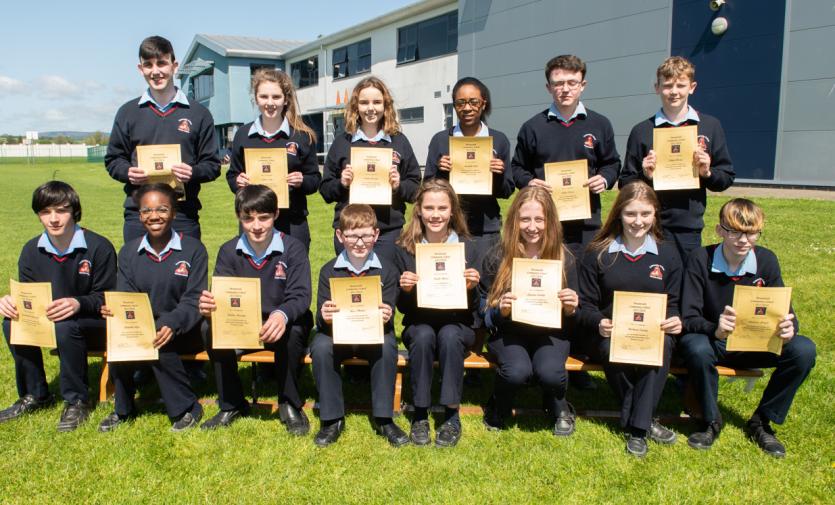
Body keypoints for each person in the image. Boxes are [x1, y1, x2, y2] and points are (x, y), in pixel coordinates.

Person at [678, 198, 816, 457]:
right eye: (734, 232)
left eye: (751, 233)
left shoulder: (766, 260)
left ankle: (762, 421)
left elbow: (786, 312)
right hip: (716, 342)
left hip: (757, 344)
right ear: (719, 230)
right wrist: (715, 328)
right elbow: (688, 317)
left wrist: (789, 329)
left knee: (804, 349)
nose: (743, 240)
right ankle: (710, 421)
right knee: (695, 346)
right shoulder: (700, 258)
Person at [0, 181, 116, 431]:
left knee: (66, 325)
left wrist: (77, 303)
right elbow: (29, 297)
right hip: (49, 321)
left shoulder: (99, 247)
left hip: (95, 322)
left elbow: (108, 297)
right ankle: (35, 395)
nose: (53, 219)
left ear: (74, 210)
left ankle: (77, 400)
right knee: (11, 323)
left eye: (61, 210)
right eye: (45, 212)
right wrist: (12, 302)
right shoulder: (31, 250)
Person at [577, 181, 682, 457]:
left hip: (652, 333)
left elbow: (674, 304)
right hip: (606, 334)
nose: (638, 221)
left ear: (655, 214)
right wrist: (598, 322)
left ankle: (636, 427)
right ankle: (645, 421)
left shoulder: (668, 254)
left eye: (645, 214)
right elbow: (584, 305)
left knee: (662, 345)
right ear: (618, 214)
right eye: (630, 214)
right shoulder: (597, 252)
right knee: (611, 348)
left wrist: (674, 319)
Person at [198, 185, 313, 434]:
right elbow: (223, 295)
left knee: (294, 329)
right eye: (248, 218)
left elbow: (301, 295)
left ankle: (289, 403)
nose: (257, 226)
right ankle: (232, 403)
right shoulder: (228, 250)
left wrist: (281, 314)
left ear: (276, 214)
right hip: (244, 325)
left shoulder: (293, 248)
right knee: (209, 327)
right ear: (238, 217)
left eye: (264, 217)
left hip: (282, 322)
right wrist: (210, 307)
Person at [99, 183, 207, 432]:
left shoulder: (194, 249)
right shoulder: (128, 251)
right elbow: (126, 295)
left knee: (159, 337)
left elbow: (193, 299)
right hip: (144, 327)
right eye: (147, 211)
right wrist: (115, 310)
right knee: (120, 335)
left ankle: (187, 407)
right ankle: (123, 409)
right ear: (139, 216)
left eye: (162, 209)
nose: (154, 216)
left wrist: (172, 323)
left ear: (174, 213)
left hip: (185, 329)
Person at [480, 186, 580, 437]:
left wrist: (571, 308)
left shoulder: (565, 258)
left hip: (550, 334)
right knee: (516, 372)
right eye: (525, 219)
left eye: (539, 219)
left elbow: (577, 315)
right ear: (514, 220)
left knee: (550, 374)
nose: (532, 227)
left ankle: (558, 404)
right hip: (510, 332)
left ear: (550, 221)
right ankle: (499, 403)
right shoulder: (498, 255)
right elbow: (482, 309)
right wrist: (500, 311)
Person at [105, 35, 221, 243]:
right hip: (139, 215)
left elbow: (212, 165)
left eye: (161, 63)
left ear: (174, 66)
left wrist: (192, 172)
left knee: (186, 266)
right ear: (140, 69)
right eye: (148, 65)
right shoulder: (127, 112)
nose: (155, 71)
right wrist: (127, 172)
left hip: (183, 214)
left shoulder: (199, 114)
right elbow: (113, 160)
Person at [619, 56, 735, 264]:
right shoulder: (642, 131)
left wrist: (707, 173)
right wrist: (644, 176)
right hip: (648, 225)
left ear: (692, 87)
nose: (674, 91)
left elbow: (725, 178)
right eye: (667, 85)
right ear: (657, 88)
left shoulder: (710, 126)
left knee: (685, 279)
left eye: (680, 85)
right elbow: (625, 184)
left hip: (688, 227)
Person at [309, 204, 407, 447]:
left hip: (373, 332)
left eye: (366, 236)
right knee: (320, 347)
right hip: (338, 334)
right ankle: (332, 419)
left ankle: (384, 418)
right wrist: (324, 315)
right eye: (353, 236)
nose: (360, 243)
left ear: (376, 234)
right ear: (340, 236)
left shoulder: (387, 270)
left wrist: (387, 313)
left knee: (386, 346)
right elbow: (320, 317)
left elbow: (389, 307)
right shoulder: (329, 270)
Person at [394, 179, 481, 447]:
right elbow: (402, 308)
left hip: (458, 323)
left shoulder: (469, 246)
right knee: (422, 336)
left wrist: (471, 288)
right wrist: (406, 291)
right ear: (419, 210)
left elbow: (476, 308)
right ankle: (420, 413)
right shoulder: (404, 248)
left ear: (452, 211)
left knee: (450, 336)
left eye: (442, 208)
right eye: (429, 208)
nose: (435, 214)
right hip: (419, 321)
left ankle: (451, 415)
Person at [511, 54, 621, 256]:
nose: (565, 89)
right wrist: (529, 182)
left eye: (572, 82)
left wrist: (604, 179)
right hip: (544, 224)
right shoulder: (532, 127)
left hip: (587, 223)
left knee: (584, 274)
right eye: (558, 83)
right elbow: (517, 168)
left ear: (583, 85)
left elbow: (612, 163)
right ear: (548, 87)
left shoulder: (600, 124)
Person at [319, 76, 421, 263]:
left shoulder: (399, 141)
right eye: (364, 102)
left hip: (388, 233)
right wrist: (342, 183)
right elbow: (325, 190)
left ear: (386, 105)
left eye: (377, 102)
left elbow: (415, 189)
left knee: (387, 280)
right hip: (350, 232)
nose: (371, 108)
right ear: (356, 106)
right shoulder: (342, 142)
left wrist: (398, 185)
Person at [225, 69, 321, 252]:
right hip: (254, 222)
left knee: (294, 270)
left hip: (292, 222)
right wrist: (238, 181)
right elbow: (232, 175)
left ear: (285, 99)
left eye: (276, 97)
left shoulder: (302, 136)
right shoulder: (243, 135)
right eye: (264, 96)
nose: (270, 103)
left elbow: (315, 180)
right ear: (256, 98)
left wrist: (302, 181)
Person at [423, 76, 514, 263]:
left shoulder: (499, 140)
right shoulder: (441, 140)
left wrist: (498, 175)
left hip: (485, 230)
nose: (467, 108)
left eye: (473, 102)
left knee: (486, 280)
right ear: (454, 106)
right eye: (461, 103)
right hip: (448, 228)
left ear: (483, 104)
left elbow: (506, 191)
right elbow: (426, 187)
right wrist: (441, 173)